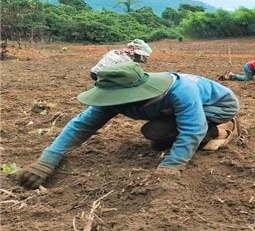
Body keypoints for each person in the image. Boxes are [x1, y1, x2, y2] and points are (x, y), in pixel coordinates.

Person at [16, 62, 240, 189]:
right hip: (180, 110)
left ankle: (222, 128)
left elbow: (193, 128)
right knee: (156, 136)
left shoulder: (182, 91)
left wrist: (172, 165)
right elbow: (81, 125)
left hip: (218, 106)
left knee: (160, 134)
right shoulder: (116, 98)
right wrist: (47, 161)